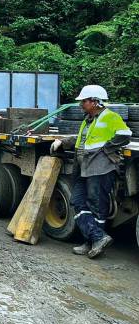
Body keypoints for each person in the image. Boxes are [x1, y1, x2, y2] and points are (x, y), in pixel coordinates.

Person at [50, 85, 131, 258]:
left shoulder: (111, 117)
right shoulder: (88, 119)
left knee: (97, 207)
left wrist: (107, 148)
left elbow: (125, 134)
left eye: (84, 101)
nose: (81, 104)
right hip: (83, 168)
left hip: (100, 168)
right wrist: (63, 142)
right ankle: (97, 238)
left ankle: (92, 243)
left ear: (95, 102)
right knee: (77, 201)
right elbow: (83, 140)